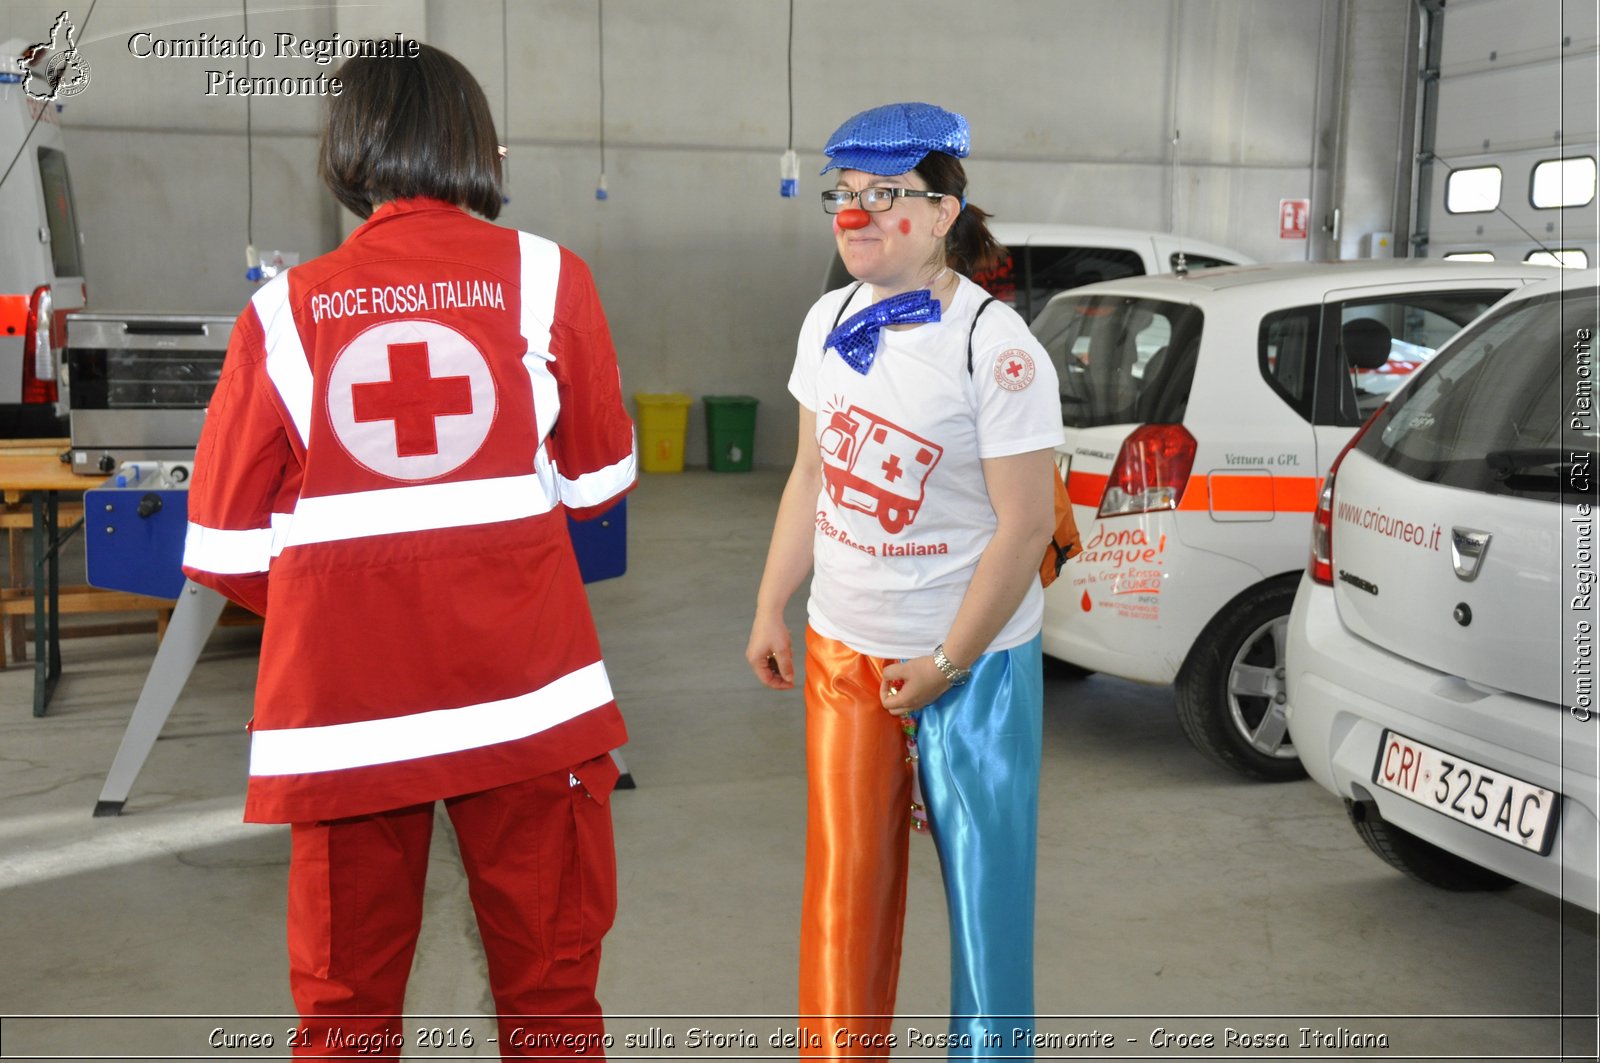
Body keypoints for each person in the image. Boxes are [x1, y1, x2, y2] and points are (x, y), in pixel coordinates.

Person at [181, 44, 635, 1060]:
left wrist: (347, 598)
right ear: (474, 140)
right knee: (552, 998)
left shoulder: (281, 311)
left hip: (346, 718)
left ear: (345, 149)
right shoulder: (548, 276)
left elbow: (220, 541)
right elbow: (599, 486)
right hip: (526, 695)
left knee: (344, 1015)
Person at [746, 102, 1062, 1058]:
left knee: (984, 894)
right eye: (844, 195)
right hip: (845, 646)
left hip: (975, 665)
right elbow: (811, 473)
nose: (855, 215)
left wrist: (948, 659)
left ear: (942, 211)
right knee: (845, 890)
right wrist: (772, 603)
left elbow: (1028, 523)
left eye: (883, 196)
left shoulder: (996, 349)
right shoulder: (826, 322)